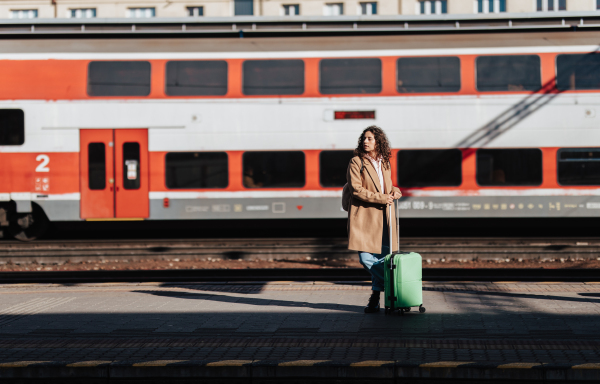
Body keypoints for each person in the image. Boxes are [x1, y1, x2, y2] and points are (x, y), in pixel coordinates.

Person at [346, 126, 402, 313]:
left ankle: (375, 297)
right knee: (365, 258)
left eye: (370, 138)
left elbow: (388, 185)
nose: (365, 141)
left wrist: (395, 191)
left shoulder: (385, 162)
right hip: (365, 216)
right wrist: (381, 198)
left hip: (384, 216)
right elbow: (356, 190)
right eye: (364, 138)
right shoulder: (356, 162)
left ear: (378, 141)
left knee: (381, 258)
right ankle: (395, 285)